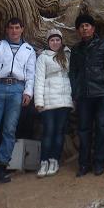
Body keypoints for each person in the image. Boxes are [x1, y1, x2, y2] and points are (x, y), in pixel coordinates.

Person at [0, 17, 36, 185]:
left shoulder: (28, 50)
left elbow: (31, 74)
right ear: (7, 30)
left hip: (17, 89)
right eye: (11, 28)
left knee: (9, 130)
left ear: (22, 29)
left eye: (17, 28)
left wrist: (28, 92)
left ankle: (2, 168)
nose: (14, 31)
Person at [69, 14, 104, 177]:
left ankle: (99, 163)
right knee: (83, 130)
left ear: (93, 28)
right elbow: (73, 72)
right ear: (78, 30)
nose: (84, 28)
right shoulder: (76, 50)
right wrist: (75, 91)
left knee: (102, 128)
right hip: (83, 95)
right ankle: (84, 164)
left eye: (87, 25)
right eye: (81, 26)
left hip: (102, 93)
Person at [33, 28, 74, 178]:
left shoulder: (67, 55)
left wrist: (73, 98)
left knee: (59, 132)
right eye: (52, 40)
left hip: (64, 100)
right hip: (48, 100)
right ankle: (44, 161)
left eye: (57, 40)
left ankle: (54, 160)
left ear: (61, 41)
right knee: (48, 132)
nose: (55, 42)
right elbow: (38, 80)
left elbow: (73, 77)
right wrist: (38, 101)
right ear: (48, 42)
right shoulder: (43, 57)